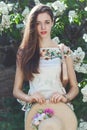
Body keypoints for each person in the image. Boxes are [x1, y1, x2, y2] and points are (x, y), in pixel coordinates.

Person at [13, 4, 79, 130]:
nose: (43, 27)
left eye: (47, 22)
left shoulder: (64, 51)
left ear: (52, 22)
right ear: (33, 25)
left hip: (60, 111)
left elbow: (74, 87)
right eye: (38, 23)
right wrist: (29, 97)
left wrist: (65, 98)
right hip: (36, 112)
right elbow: (16, 90)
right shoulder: (24, 53)